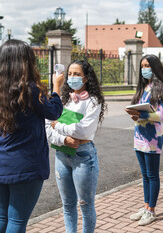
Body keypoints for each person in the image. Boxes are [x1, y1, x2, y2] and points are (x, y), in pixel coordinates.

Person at [0, 39, 64, 233]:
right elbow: (54, 112)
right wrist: (56, 87)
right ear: (26, 62)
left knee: (2, 216)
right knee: (17, 221)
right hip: (25, 165)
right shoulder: (30, 89)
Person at [46, 60, 106, 233]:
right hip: (61, 155)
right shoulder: (63, 100)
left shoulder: (93, 101)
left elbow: (82, 130)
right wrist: (64, 140)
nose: (72, 77)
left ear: (86, 78)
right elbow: (46, 127)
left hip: (83, 156)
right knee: (67, 205)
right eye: (70, 74)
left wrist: (57, 126)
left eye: (77, 74)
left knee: (86, 205)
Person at [125, 54, 163, 226]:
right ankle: (145, 207)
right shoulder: (143, 88)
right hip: (139, 136)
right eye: (142, 66)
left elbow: (161, 115)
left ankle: (151, 211)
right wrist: (135, 115)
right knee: (144, 175)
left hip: (153, 138)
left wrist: (141, 114)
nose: (145, 69)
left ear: (155, 67)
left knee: (152, 175)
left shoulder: (161, 89)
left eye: (148, 66)